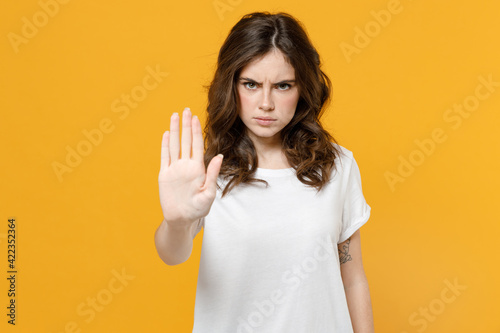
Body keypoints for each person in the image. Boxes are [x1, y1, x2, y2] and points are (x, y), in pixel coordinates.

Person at [154, 11, 374, 333]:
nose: (266, 103)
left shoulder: (337, 165)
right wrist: (177, 221)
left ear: (302, 90)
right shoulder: (209, 170)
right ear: (232, 85)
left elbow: (352, 278)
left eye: (283, 85)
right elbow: (172, 254)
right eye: (251, 84)